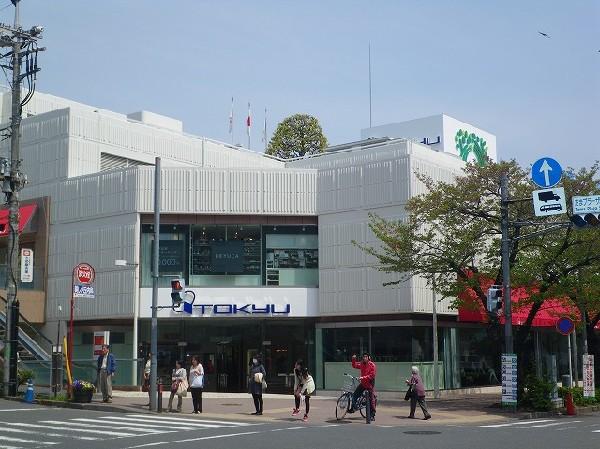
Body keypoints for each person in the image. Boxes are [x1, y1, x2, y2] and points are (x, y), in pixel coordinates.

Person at [349, 352, 377, 420]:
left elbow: (372, 375)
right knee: (355, 395)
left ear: (369, 358)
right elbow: (354, 365)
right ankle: (353, 408)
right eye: (363, 357)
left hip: (369, 385)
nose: (364, 358)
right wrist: (353, 359)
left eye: (366, 356)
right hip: (363, 384)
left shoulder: (372, 365)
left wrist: (363, 377)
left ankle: (372, 415)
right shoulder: (362, 364)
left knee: (371, 400)